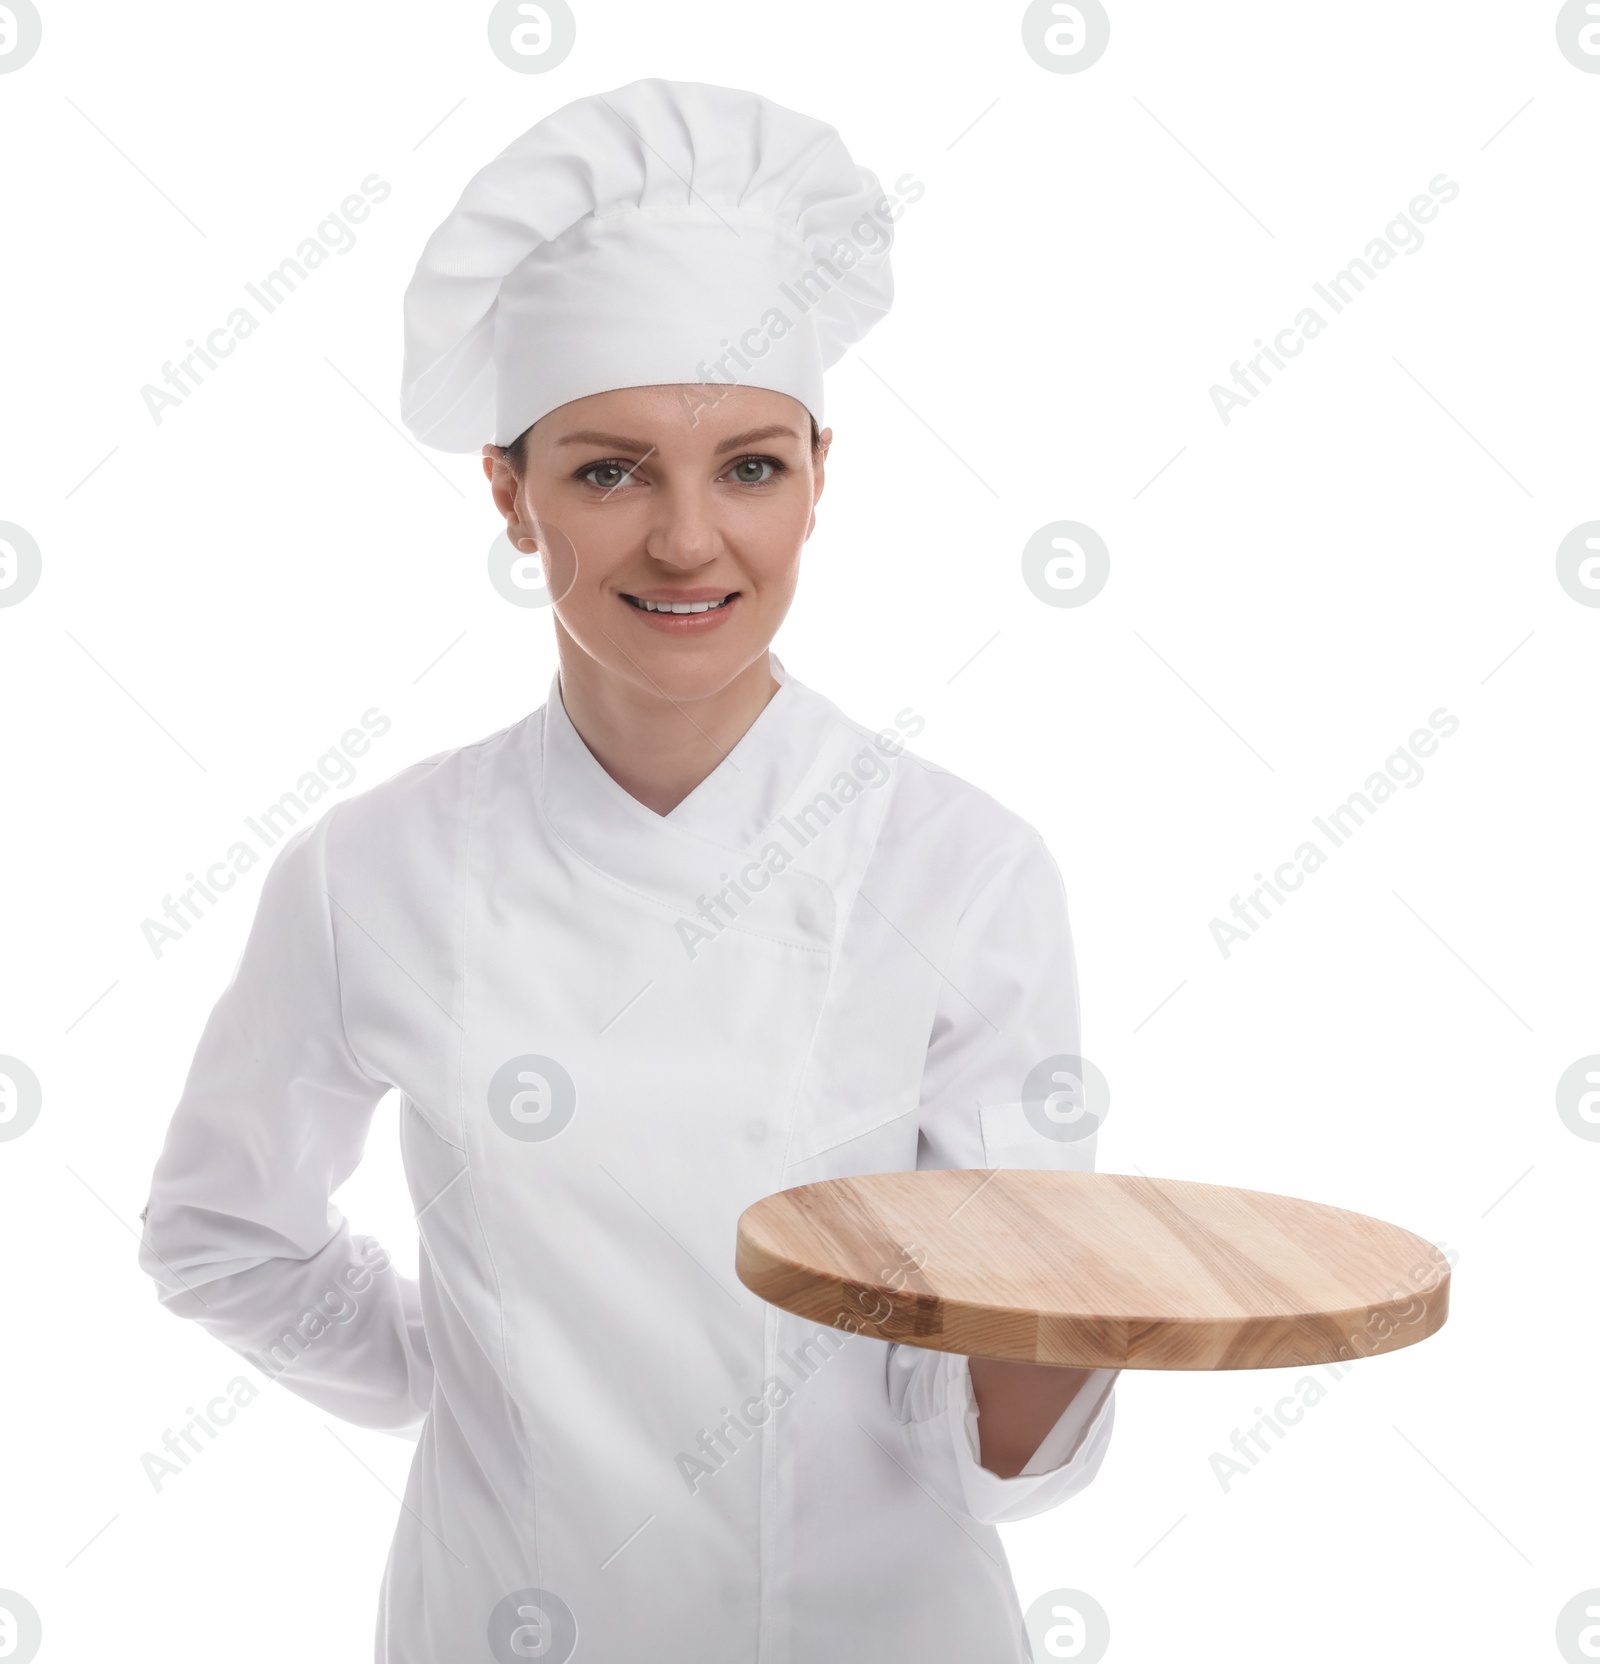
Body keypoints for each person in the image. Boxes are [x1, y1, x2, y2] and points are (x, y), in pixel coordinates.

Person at [138, 76, 1118, 1663]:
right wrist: (462, 1376)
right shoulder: (368, 874)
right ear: (511, 494)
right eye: (607, 471)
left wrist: (1081, 1325)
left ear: (819, 475)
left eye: (749, 466)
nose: (686, 542)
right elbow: (220, 1232)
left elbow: (995, 1436)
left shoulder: (964, 870)